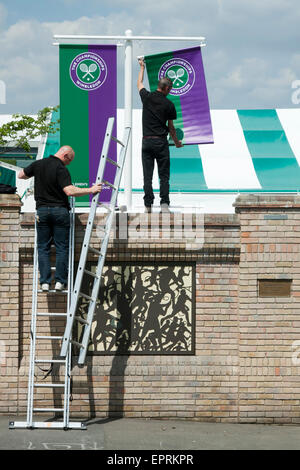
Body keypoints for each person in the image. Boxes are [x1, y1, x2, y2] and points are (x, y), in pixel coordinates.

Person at [18, 145, 102, 292]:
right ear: (66, 156)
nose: (68, 163)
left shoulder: (39, 164)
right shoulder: (61, 168)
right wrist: (91, 190)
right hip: (59, 211)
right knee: (62, 248)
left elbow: (21, 175)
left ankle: (44, 282)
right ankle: (59, 282)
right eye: (69, 160)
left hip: (42, 212)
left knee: (43, 247)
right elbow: (69, 191)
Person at [137, 58, 183, 213]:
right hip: (161, 143)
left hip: (146, 142)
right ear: (167, 88)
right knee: (163, 176)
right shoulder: (169, 105)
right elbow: (171, 128)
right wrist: (176, 142)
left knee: (147, 176)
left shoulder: (147, 97)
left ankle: (148, 205)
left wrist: (142, 67)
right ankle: (164, 204)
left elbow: (139, 84)